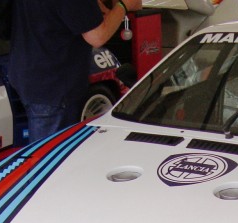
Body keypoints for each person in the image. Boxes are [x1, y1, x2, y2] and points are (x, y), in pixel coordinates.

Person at [9, 0, 142, 142]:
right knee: (52, 155)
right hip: (53, 84)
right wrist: (123, 5)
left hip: (30, 71)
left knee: (49, 148)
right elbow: (97, 36)